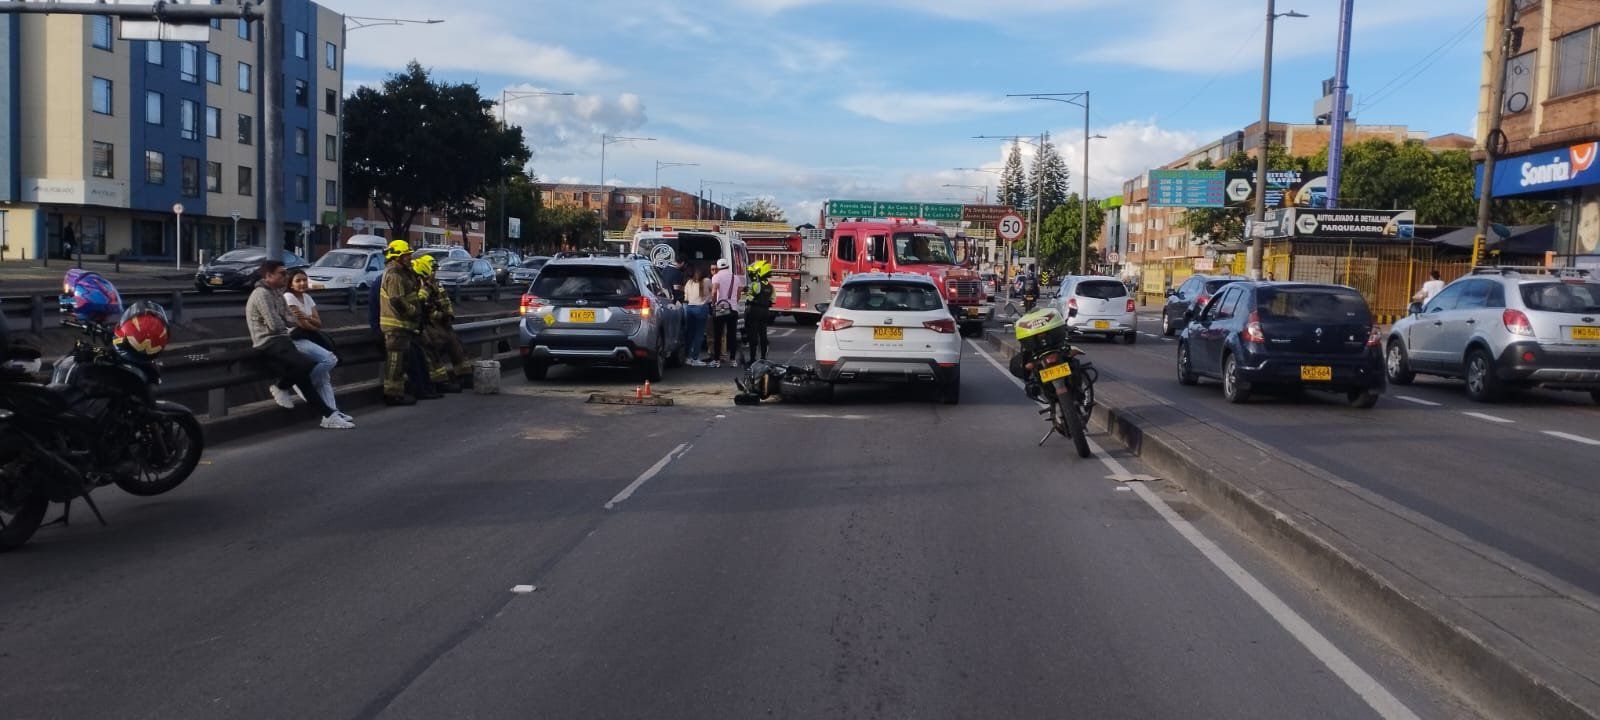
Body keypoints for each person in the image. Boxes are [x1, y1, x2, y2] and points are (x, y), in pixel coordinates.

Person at [246, 260, 350, 429]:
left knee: (304, 378)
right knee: (306, 364)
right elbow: (275, 325)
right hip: (268, 341)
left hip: (282, 339)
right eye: (281, 273)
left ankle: (329, 415)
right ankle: (281, 386)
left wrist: (291, 321)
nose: (285, 276)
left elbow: (290, 318)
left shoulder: (276, 293)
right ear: (268, 276)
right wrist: (290, 322)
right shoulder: (262, 294)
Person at [284, 269, 353, 425]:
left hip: (309, 337)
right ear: (291, 283)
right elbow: (302, 324)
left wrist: (307, 319)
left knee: (325, 378)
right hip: (296, 339)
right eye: (298, 280)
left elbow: (317, 322)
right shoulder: (288, 297)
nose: (302, 283)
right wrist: (310, 322)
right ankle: (302, 382)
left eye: (304, 280)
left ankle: (331, 414)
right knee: (329, 359)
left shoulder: (307, 297)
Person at [378, 239, 433, 405]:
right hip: (396, 326)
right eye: (406, 255)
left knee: (402, 362)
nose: (410, 258)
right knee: (395, 363)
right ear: (397, 257)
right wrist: (413, 311)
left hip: (402, 327)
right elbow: (396, 300)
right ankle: (393, 395)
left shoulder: (402, 273)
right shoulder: (394, 275)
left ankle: (399, 392)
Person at [412, 254, 471, 392]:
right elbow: (423, 307)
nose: (434, 273)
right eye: (432, 270)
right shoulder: (420, 285)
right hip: (429, 323)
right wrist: (439, 315)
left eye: (435, 270)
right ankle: (440, 381)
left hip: (442, 322)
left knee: (456, 345)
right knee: (432, 347)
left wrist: (449, 314)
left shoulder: (437, 284)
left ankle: (465, 375)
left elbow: (445, 300)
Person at [708, 258, 740, 368]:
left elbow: (713, 292)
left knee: (718, 334)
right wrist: (734, 302)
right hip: (733, 308)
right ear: (727, 266)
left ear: (718, 267)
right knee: (732, 335)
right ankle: (733, 360)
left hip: (721, 307)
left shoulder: (716, 277)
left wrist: (713, 304)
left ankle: (717, 360)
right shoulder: (735, 278)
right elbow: (739, 293)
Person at [743, 260, 775, 364]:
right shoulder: (771, 287)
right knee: (763, 335)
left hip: (754, 311)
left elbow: (749, 298)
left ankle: (752, 359)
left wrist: (746, 293)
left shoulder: (756, 285)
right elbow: (773, 300)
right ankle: (763, 358)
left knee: (753, 335)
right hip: (765, 312)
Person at [683, 265, 711, 366]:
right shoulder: (707, 281)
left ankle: (687, 357)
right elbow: (713, 291)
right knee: (699, 335)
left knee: (689, 334)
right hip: (702, 308)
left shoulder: (689, 282)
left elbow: (685, 297)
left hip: (690, 308)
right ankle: (695, 358)